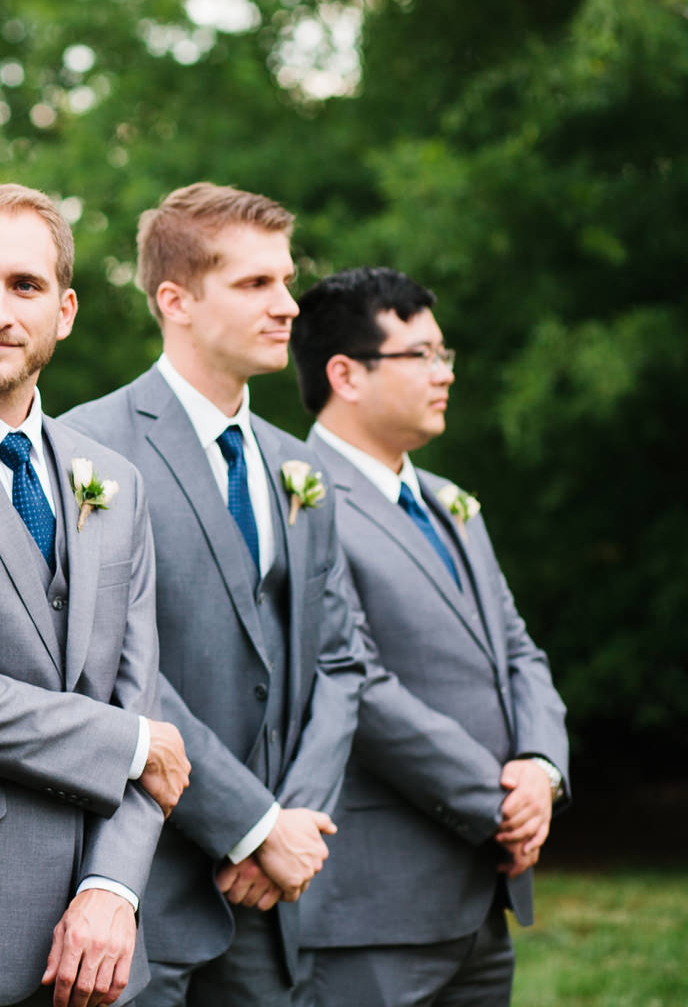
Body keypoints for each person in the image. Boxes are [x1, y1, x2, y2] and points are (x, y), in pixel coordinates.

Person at [0, 184, 187, 1007]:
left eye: (25, 286)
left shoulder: (114, 481)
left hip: (107, 951)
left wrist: (112, 891)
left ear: (66, 310)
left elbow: (142, 695)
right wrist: (125, 742)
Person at [62, 182, 366, 1007]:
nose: (288, 306)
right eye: (255, 284)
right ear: (176, 300)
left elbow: (341, 659)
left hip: (274, 905)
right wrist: (251, 824)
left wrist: (288, 828)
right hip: (139, 888)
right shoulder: (85, 447)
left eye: (286, 280)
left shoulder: (297, 464)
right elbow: (110, 667)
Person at [288, 267, 569, 1006]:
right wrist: (498, 802)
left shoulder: (449, 501)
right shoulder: (300, 496)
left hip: (482, 896)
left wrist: (541, 768)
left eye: (445, 354)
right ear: (345, 374)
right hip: (375, 907)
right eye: (421, 356)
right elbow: (357, 684)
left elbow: (516, 648)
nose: (443, 374)